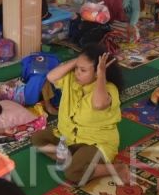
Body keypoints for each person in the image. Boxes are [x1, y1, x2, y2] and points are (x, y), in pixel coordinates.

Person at [30, 44, 131, 185]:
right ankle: (70, 157)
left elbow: (99, 104)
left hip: (94, 142)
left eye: (83, 70)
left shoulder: (108, 88)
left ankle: (116, 168)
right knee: (37, 138)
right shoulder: (72, 79)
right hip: (68, 136)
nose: (77, 73)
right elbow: (51, 76)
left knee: (73, 173)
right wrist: (77, 61)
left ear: (97, 73)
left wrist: (101, 75)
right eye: (77, 68)